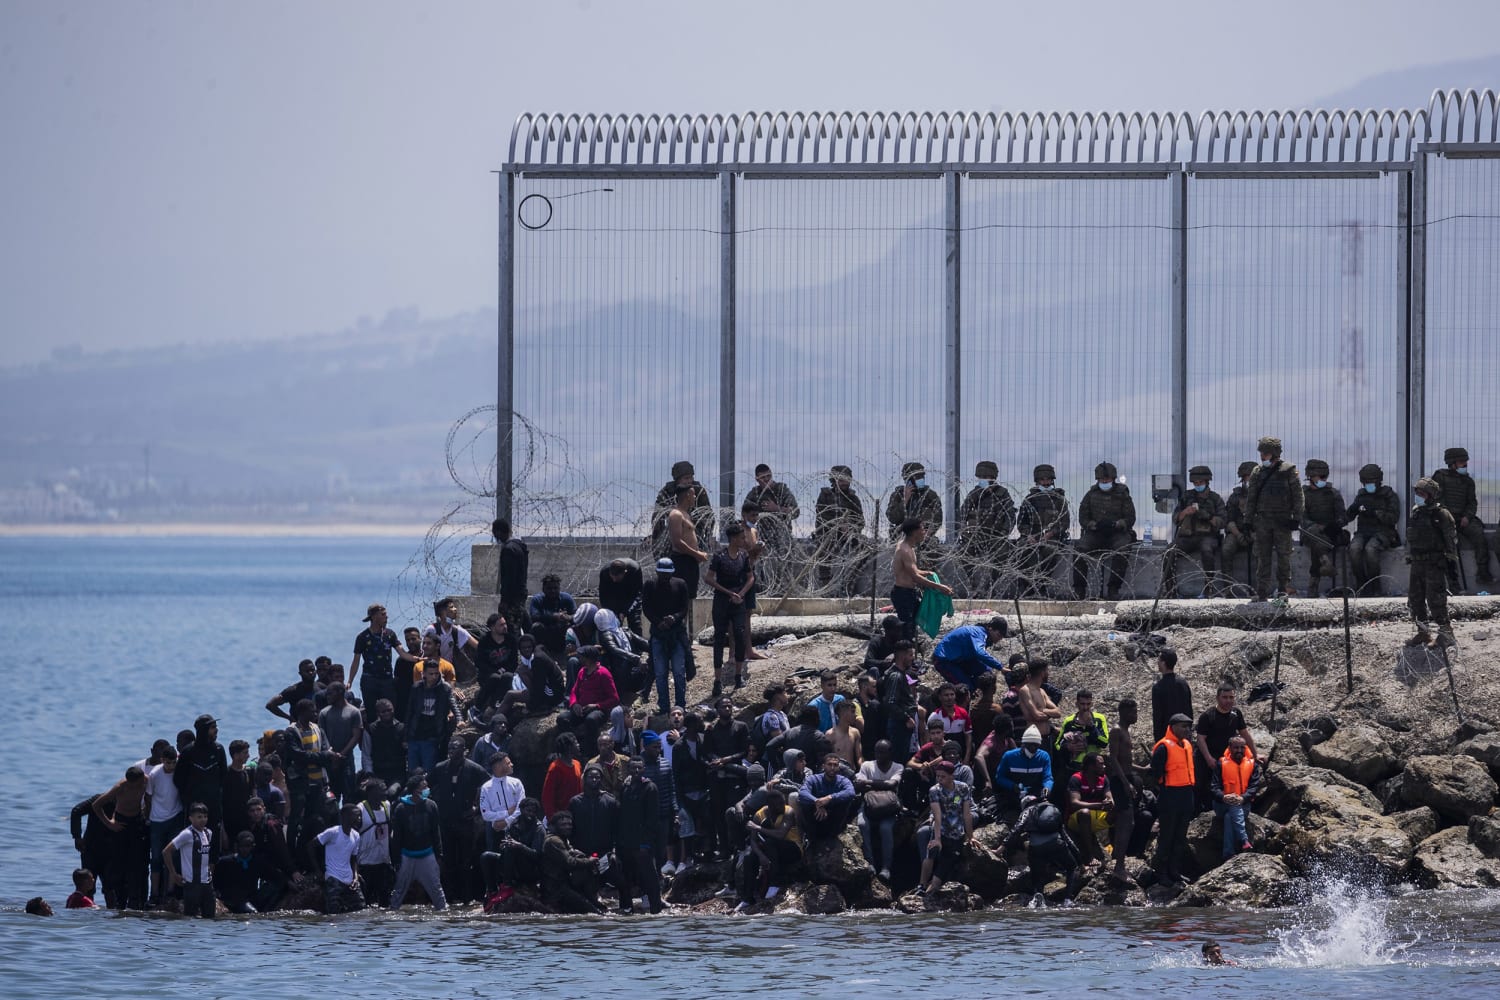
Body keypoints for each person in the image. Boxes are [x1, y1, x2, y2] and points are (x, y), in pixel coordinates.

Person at [428, 737, 489, 904]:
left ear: (464, 750)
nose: (452, 751)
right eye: (450, 748)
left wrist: (477, 808)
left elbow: (488, 787)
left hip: (466, 821)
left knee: (466, 860)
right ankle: (449, 897)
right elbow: (426, 785)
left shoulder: (474, 769)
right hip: (445, 821)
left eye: (456, 748)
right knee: (448, 860)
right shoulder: (440, 768)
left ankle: (467, 897)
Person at [1245, 436, 1304, 600]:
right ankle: (1262, 592)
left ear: (1274, 453)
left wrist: (1296, 518)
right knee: (1263, 557)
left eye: (1266, 453)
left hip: (1282, 521)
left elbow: (1298, 496)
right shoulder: (1257, 472)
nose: (1262, 456)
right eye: (1261, 453)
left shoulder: (1288, 470)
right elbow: (1252, 498)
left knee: (1283, 556)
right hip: (1263, 521)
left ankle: (1282, 590)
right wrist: (1248, 520)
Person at [1407, 477, 1461, 646]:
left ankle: (1446, 633)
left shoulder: (1441, 515)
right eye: (1417, 492)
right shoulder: (1416, 512)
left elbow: (1451, 541)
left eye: (1421, 493)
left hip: (1434, 563)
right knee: (1415, 599)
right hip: (1417, 563)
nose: (1418, 496)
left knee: (1435, 599)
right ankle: (1423, 632)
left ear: (1430, 496)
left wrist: (1451, 567)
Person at [1074, 461, 1137, 600]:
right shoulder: (1091, 495)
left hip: (1117, 533)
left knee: (1123, 550)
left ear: (1113, 479)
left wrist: (1117, 524)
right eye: (1102, 479)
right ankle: (1079, 590)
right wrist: (1092, 525)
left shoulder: (1122, 494)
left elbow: (1130, 518)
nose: (1104, 481)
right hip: (1096, 533)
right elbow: (1083, 517)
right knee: (1079, 550)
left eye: (1107, 479)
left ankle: (1113, 589)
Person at [1433, 446, 1493, 589]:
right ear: (1452, 463)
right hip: (1446, 520)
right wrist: (1447, 517)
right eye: (1461, 462)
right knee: (1449, 547)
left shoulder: (1468, 481)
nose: (1465, 465)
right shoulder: (1440, 477)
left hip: (1464, 519)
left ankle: (1483, 573)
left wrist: (1467, 516)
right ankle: (1453, 583)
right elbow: (1436, 500)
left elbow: (1472, 502)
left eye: (1465, 461)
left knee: (1479, 536)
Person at [706, 522, 755, 695]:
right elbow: (709, 578)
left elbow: (750, 578)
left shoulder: (743, 557)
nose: (744, 540)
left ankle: (738, 676)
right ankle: (717, 680)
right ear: (733, 538)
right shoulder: (719, 557)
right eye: (742, 537)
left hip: (738, 602)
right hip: (721, 602)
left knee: (740, 635)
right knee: (719, 638)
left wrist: (740, 594)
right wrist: (728, 593)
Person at [1162, 465, 1225, 597]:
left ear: (1207, 482)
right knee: (1169, 551)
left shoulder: (1215, 499)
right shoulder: (1187, 497)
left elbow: (1222, 521)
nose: (1198, 485)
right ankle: (1170, 590)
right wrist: (1185, 512)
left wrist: (1207, 516)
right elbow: (1176, 518)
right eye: (1195, 483)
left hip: (1208, 537)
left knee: (1207, 551)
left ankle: (1209, 588)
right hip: (1188, 537)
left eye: (1200, 483)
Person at [1195, 683, 1258, 811]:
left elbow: (1244, 733)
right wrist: (1208, 758)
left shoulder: (1236, 713)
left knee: (1224, 787)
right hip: (1207, 759)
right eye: (1225, 697)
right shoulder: (1208, 716)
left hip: (1226, 759)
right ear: (1218, 698)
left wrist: (1255, 755)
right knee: (1203, 787)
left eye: (1231, 697)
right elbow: (1200, 739)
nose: (1228, 700)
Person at [94, 766, 149, 910]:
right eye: (136, 783)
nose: (140, 784)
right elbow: (96, 805)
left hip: (137, 820)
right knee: (119, 862)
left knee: (137, 862)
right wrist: (109, 824)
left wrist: (146, 813)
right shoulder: (121, 787)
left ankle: (136, 899)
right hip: (121, 822)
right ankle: (120, 899)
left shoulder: (146, 781)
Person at [958, 460, 1016, 598]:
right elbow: (962, 513)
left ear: (993, 478)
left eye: (987, 477)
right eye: (981, 477)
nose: (984, 480)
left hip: (996, 536)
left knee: (1001, 553)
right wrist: (964, 531)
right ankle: (973, 585)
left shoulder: (1002, 494)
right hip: (976, 536)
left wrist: (1003, 534)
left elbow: (1010, 517)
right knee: (963, 552)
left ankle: (990, 587)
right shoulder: (975, 494)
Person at [388, 773, 446, 911]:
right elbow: (397, 837)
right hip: (407, 856)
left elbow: (435, 832)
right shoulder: (400, 808)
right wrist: (396, 859)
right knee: (399, 889)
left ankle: (444, 912)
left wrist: (439, 855)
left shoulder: (431, 805)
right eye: (424, 787)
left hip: (427, 854)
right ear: (415, 790)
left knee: (436, 889)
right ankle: (392, 913)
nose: (427, 789)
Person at [1151, 713, 1197, 886]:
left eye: (1188, 726)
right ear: (1173, 727)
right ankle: (1160, 872)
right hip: (1169, 795)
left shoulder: (1187, 745)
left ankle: (1174, 871)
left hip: (1186, 795)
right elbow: (1155, 774)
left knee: (1180, 837)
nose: (1187, 730)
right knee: (1167, 836)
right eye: (1183, 726)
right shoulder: (1163, 747)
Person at [1106, 698, 1149, 881]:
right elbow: (1114, 759)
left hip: (1127, 777)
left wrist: (1142, 770)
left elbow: (1126, 761)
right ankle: (1119, 866)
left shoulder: (1126, 731)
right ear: (1123, 712)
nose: (1136, 715)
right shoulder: (1116, 730)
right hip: (1118, 781)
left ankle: (1119, 860)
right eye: (1133, 712)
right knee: (1126, 822)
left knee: (1129, 821)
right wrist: (1126, 783)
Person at [891, 518, 954, 642]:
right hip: (903, 594)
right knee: (906, 629)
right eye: (922, 529)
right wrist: (940, 587)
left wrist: (928, 573)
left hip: (909, 593)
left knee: (913, 627)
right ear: (914, 532)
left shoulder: (909, 548)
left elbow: (912, 571)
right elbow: (915, 576)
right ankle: (902, 657)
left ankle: (909, 656)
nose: (924, 532)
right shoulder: (905, 550)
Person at [1003, 793, 1080, 895]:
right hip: (1056, 844)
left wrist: (1001, 848)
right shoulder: (1051, 811)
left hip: (1036, 848)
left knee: (1037, 878)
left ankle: (1038, 899)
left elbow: (1016, 829)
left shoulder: (1027, 811)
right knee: (1071, 867)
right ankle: (1068, 899)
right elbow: (1067, 839)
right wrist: (1081, 862)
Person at [283, 698, 333, 852]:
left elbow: (326, 751)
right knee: (295, 819)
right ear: (303, 712)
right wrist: (320, 757)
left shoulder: (318, 729)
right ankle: (291, 851)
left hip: (318, 782)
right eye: (312, 711)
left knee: (313, 818)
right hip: (300, 784)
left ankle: (307, 851)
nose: (315, 713)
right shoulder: (292, 731)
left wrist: (318, 757)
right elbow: (298, 756)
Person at [704, 696, 750, 859]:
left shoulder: (741, 727)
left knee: (734, 811)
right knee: (718, 813)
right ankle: (724, 848)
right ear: (717, 709)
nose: (727, 709)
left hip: (735, 774)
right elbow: (706, 750)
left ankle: (738, 846)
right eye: (724, 706)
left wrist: (726, 760)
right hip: (717, 776)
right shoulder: (711, 729)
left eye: (730, 706)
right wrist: (716, 759)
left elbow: (744, 751)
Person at [643, 557, 691, 712]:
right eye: (662, 574)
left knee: (678, 671)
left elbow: (684, 608)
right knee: (660, 672)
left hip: (676, 633)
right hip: (658, 634)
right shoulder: (650, 585)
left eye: (667, 574)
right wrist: (658, 622)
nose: (665, 577)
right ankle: (664, 706)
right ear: (657, 572)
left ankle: (680, 705)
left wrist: (674, 618)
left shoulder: (680, 584)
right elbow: (647, 608)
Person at [1345, 463, 1402, 596]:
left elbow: (1393, 518)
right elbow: (1349, 516)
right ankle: (1361, 584)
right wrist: (1353, 509)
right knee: (1354, 549)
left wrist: (1376, 513)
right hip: (1363, 531)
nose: (1369, 485)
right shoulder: (1361, 495)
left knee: (1370, 550)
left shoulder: (1388, 495)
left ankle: (1374, 586)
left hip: (1383, 532)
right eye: (1366, 482)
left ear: (1378, 481)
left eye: (1371, 482)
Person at [738, 790, 801, 908]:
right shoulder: (759, 815)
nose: (783, 806)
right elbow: (753, 840)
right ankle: (747, 898)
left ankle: (774, 883)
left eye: (783, 802)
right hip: (770, 850)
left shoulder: (789, 812)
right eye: (779, 804)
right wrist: (761, 857)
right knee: (749, 858)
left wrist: (758, 827)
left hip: (792, 849)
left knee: (770, 842)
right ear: (770, 806)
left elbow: (781, 835)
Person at [616, 757, 664, 913]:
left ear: (644, 769)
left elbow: (653, 819)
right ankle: (626, 909)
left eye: (639, 768)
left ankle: (656, 908)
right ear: (628, 770)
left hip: (643, 843)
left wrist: (646, 843)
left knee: (649, 878)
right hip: (626, 842)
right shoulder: (625, 787)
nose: (636, 771)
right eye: (633, 768)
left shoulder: (650, 788)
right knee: (626, 877)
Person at [920, 760, 975, 893]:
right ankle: (921, 885)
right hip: (940, 829)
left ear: (952, 776)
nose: (939, 779)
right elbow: (937, 816)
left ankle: (932, 888)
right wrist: (937, 839)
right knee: (931, 852)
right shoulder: (934, 791)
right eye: (937, 776)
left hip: (956, 831)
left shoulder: (962, 788)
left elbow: (966, 814)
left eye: (943, 776)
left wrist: (970, 837)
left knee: (946, 862)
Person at [1017, 464, 1070, 598]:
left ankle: (1041, 585)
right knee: (1023, 550)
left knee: (1049, 550)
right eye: (1042, 480)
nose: (1045, 483)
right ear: (1037, 481)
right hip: (1033, 536)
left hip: (1052, 536)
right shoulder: (1030, 500)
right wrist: (1028, 535)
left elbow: (1064, 522)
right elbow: (1022, 522)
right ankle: (1029, 587)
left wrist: (1051, 533)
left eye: (1048, 479)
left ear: (1052, 480)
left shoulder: (1059, 499)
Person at [813, 464, 866, 594]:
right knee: (824, 552)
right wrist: (837, 525)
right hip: (827, 534)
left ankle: (849, 583)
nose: (845, 482)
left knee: (865, 548)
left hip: (847, 535)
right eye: (841, 479)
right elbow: (822, 516)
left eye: (847, 479)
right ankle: (825, 587)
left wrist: (851, 528)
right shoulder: (825, 496)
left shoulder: (853, 499)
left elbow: (861, 521)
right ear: (834, 480)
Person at [479, 796, 545, 900]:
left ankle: (507, 886)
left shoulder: (539, 828)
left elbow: (537, 855)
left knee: (512, 848)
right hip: (513, 864)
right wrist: (503, 847)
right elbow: (507, 843)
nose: (531, 814)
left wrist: (519, 846)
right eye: (528, 811)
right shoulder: (514, 823)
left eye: (533, 812)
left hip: (530, 868)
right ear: (521, 810)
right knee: (486, 856)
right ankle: (492, 891)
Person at [1299, 458, 1349, 597]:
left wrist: (1332, 525)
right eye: (1319, 477)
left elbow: (1343, 517)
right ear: (1310, 477)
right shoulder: (1303, 495)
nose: (1322, 479)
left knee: (1318, 542)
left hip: (1329, 533)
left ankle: (1313, 585)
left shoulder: (1333, 493)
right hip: (1311, 532)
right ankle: (1324, 562)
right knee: (1315, 536)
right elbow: (1302, 518)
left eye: (1324, 476)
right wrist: (1316, 527)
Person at [855, 740, 903, 879]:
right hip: (869, 805)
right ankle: (869, 863)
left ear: (890, 753)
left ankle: (886, 868)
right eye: (877, 752)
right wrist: (884, 785)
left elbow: (892, 783)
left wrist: (870, 783)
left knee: (885, 828)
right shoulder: (867, 765)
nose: (879, 755)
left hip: (889, 807)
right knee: (862, 824)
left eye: (883, 752)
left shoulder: (897, 767)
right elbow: (859, 785)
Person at [542, 811, 606, 914]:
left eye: (569, 824)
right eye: (563, 825)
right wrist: (589, 861)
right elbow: (570, 863)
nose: (567, 827)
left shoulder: (563, 840)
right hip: (557, 888)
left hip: (566, 884)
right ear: (552, 826)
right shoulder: (554, 841)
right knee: (596, 913)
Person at [143, 746, 184, 906]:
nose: (171, 766)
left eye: (173, 762)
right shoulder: (155, 774)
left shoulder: (178, 771)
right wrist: (147, 817)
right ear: (162, 760)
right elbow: (148, 796)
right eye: (168, 763)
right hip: (157, 819)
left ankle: (170, 891)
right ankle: (154, 894)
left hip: (175, 816)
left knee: (173, 855)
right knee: (156, 858)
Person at [558, 645, 619, 751]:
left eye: (581, 656)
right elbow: (574, 691)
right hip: (582, 709)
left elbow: (614, 698)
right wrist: (574, 704)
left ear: (588, 659)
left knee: (591, 719)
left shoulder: (603, 674)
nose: (579, 658)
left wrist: (596, 705)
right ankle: (571, 747)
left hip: (599, 710)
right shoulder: (582, 671)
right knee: (562, 719)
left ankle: (591, 751)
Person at [176, 714, 228, 836]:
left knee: (213, 842)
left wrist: (214, 793)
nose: (217, 730)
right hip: (193, 807)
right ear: (203, 730)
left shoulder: (219, 750)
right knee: (192, 842)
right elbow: (178, 779)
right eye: (213, 727)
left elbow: (223, 776)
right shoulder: (188, 752)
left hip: (213, 807)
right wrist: (188, 797)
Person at [1212, 736, 1262, 859]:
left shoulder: (1252, 765)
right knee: (1233, 806)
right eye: (1236, 748)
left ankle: (1228, 853)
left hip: (1244, 804)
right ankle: (1244, 840)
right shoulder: (1221, 763)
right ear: (1230, 748)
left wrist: (1243, 798)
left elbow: (1254, 787)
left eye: (1242, 748)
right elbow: (1214, 787)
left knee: (1230, 817)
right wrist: (1224, 797)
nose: (1239, 750)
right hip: (1222, 804)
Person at [164, 802, 217, 919]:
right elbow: (166, 851)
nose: (202, 820)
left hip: (207, 884)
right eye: (199, 817)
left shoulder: (208, 833)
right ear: (191, 818)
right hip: (192, 884)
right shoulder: (187, 834)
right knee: (190, 919)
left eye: (205, 817)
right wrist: (174, 874)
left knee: (210, 919)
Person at [405, 657, 457, 774]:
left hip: (431, 736)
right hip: (415, 734)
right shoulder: (416, 688)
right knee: (412, 771)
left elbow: (453, 704)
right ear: (424, 674)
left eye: (436, 673)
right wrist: (406, 736)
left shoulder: (444, 688)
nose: (434, 676)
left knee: (429, 771)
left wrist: (460, 719)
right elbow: (409, 712)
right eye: (431, 674)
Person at [310, 803, 365, 914]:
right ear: (345, 816)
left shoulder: (356, 835)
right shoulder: (333, 832)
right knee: (333, 913)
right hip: (333, 878)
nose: (359, 819)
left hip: (349, 880)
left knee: (360, 910)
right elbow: (310, 846)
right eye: (356, 816)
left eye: (360, 816)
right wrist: (317, 870)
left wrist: (355, 877)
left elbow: (354, 859)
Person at [930, 616, 1009, 691]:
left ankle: (978, 693)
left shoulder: (985, 636)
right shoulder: (979, 633)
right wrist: (1000, 667)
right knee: (966, 687)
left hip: (961, 659)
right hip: (944, 660)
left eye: (1001, 637)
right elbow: (980, 653)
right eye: (998, 635)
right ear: (990, 628)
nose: (999, 639)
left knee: (987, 674)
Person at [667, 480, 712, 606]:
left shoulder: (686, 514)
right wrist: (696, 554)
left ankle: (688, 625)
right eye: (693, 494)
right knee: (681, 599)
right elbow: (677, 542)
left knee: (690, 597)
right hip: (682, 562)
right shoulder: (676, 515)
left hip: (690, 561)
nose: (695, 497)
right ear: (687, 495)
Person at [349, 604, 401, 713]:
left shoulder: (390, 634)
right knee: (372, 712)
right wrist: (350, 681)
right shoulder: (362, 637)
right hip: (369, 679)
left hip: (387, 679)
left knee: (390, 711)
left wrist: (417, 658)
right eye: (383, 615)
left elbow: (402, 652)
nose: (386, 617)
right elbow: (356, 661)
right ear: (373, 617)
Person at [1064, 752, 1114, 866]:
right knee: (1085, 813)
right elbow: (1074, 803)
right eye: (1101, 764)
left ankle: (1117, 854)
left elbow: (1109, 797)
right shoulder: (1076, 779)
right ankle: (1089, 855)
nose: (1104, 766)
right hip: (1076, 819)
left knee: (1119, 812)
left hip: (1097, 817)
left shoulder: (1104, 779)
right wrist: (1098, 805)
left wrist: (1109, 803)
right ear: (1091, 766)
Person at [319, 681, 364, 805]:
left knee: (349, 795)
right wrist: (332, 755)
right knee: (332, 797)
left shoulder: (354, 712)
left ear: (340, 693)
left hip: (347, 760)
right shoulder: (324, 713)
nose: (327, 696)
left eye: (330, 694)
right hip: (330, 761)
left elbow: (356, 736)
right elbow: (322, 737)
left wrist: (342, 754)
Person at [353, 778, 394, 908]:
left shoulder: (387, 805)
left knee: (385, 903)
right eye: (381, 791)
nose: (385, 793)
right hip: (365, 864)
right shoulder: (360, 809)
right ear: (371, 793)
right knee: (365, 903)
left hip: (383, 863)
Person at [797, 753, 857, 842]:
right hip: (816, 816)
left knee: (847, 801)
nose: (832, 768)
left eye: (835, 765)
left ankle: (833, 838)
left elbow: (851, 792)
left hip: (835, 818)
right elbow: (802, 793)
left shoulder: (843, 780)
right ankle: (810, 839)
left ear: (838, 767)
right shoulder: (814, 779)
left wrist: (830, 798)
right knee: (803, 802)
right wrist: (817, 802)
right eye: (829, 764)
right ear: (823, 766)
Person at [1219, 461, 1259, 593]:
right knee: (1226, 549)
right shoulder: (1235, 497)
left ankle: (1261, 589)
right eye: (1247, 477)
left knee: (1261, 550)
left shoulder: (1264, 496)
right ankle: (1227, 589)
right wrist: (1238, 535)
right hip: (1238, 532)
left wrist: (1255, 534)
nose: (1249, 480)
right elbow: (1229, 520)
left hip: (1258, 533)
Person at [995, 726, 1054, 812]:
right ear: (1024, 744)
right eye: (1030, 745)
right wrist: (1012, 785)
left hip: (1035, 794)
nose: (1033, 748)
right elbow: (999, 777)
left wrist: (1047, 788)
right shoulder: (1009, 756)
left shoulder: (1044, 757)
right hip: (1015, 794)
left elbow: (1048, 778)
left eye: (1036, 745)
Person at [885, 461, 944, 546]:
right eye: (917, 477)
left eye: (922, 476)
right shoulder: (898, 495)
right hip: (902, 538)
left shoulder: (930, 496)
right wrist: (905, 500)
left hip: (924, 539)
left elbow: (938, 519)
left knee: (932, 548)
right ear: (909, 480)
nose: (921, 478)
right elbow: (892, 518)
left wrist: (929, 532)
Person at [879, 641, 922, 756]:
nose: (912, 659)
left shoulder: (900, 674)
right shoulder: (896, 676)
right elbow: (890, 702)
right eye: (911, 655)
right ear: (903, 656)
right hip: (899, 726)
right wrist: (906, 718)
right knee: (900, 758)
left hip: (903, 725)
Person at [527, 575, 577, 657]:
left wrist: (567, 617)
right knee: (536, 626)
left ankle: (570, 653)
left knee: (574, 626)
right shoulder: (537, 600)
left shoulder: (566, 598)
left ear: (559, 588)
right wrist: (554, 616)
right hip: (545, 633)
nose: (553, 591)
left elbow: (577, 616)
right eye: (549, 588)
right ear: (543, 589)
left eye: (555, 588)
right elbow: (534, 616)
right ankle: (538, 653)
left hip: (562, 633)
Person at [1150, 647, 1193, 742]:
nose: (1157, 663)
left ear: (1163, 663)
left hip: (1167, 736)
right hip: (1184, 735)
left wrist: (1158, 740)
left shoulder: (1158, 687)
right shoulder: (1183, 683)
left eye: (1159, 660)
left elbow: (1157, 716)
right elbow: (1189, 710)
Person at [491, 516, 531, 619]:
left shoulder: (508, 550)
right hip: (521, 593)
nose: (494, 535)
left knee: (511, 629)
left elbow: (509, 578)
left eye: (494, 532)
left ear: (499, 532)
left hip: (512, 598)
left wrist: (505, 601)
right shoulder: (519, 546)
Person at [541, 733, 585, 821]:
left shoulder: (577, 764)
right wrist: (552, 819)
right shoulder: (555, 767)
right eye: (576, 743)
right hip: (562, 816)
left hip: (577, 812)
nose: (578, 745)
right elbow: (547, 796)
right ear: (568, 747)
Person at [366, 698, 407, 787]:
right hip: (378, 773)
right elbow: (366, 754)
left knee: (392, 792)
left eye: (389, 710)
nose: (387, 713)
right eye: (383, 712)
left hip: (398, 774)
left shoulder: (402, 728)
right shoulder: (371, 729)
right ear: (377, 714)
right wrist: (369, 774)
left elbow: (408, 753)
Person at [598, 557, 644, 635]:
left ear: (624, 573)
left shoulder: (634, 569)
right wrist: (610, 613)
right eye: (612, 577)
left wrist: (624, 611)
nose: (614, 580)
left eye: (617, 577)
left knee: (635, 623)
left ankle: (638, 646)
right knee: (612, 624)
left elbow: (637, 595)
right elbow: (603, 596)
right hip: (614, 595)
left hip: (631, 594)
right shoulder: (604, 572)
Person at [827, 700, 863, 768]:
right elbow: (827, 759)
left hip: (852, 773)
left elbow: (859, 757)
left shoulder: (855, 732)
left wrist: (863, 769)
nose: (855, 715)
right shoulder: (830, 735)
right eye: (852, 712)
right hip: (837, 774)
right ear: (843, 713)